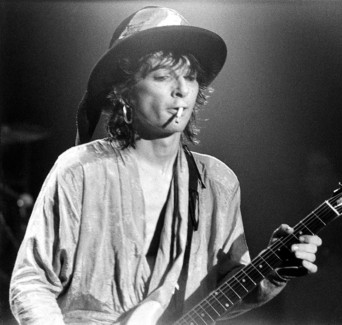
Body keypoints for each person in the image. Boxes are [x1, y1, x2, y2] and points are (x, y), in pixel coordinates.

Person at [9, 6, 322, 325]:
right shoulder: (80, 169)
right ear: (125, 90)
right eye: (162, 77)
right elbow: (31, 282)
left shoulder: (217, 182)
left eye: (189, 76)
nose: (181, 90)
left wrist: (271, 274)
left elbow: (227, 293)